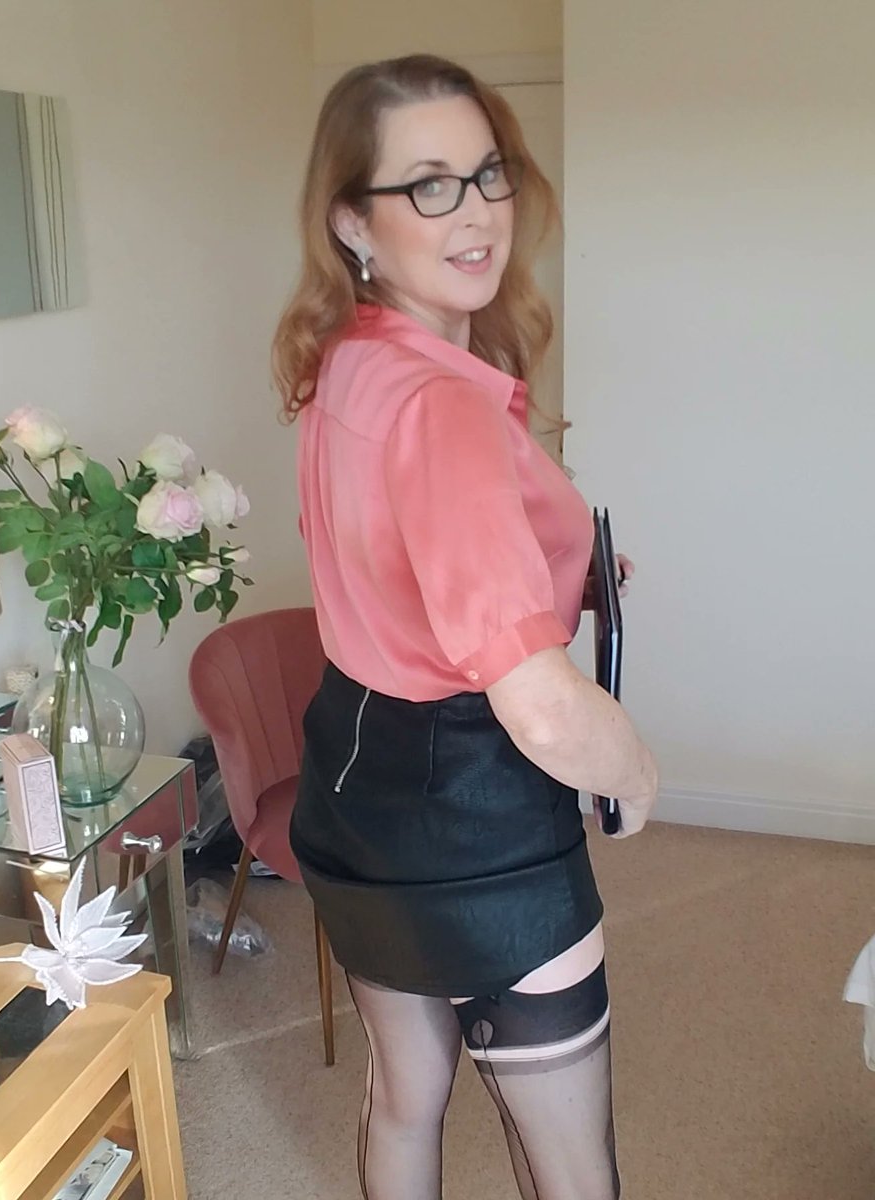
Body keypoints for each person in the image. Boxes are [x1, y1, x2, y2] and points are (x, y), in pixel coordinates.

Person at [272, 53, 658, 1200]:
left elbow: (393, 564)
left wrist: (551, 570)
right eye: (429, 185)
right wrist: (633, 767)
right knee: (571, 1164)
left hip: (355, 775)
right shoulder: (444, 405)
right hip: (477, 807)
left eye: (488, 174)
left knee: (405, 1096)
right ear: (353, 219)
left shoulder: (345, 363)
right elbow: (539, 707)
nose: (478, 210)